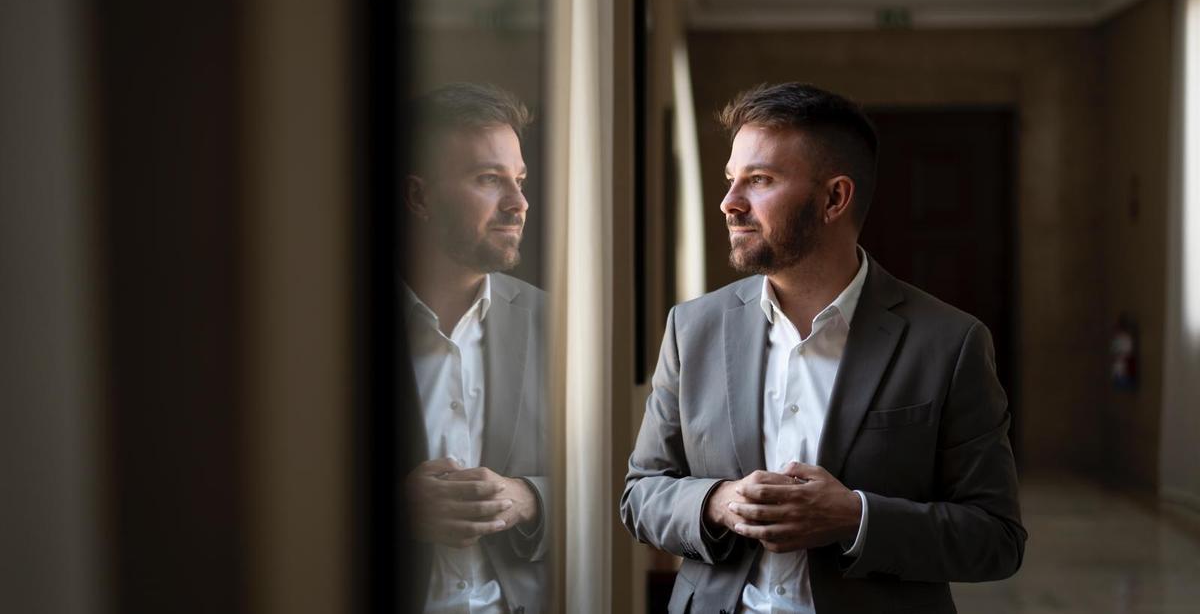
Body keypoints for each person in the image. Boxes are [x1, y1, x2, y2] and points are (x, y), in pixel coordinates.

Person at [621, 82, 1025, 613]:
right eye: (730, 180)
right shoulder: (692, 328)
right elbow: (641, 495)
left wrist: (854, 517)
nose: (729, 203)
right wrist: (717, 502)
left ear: (834, 198)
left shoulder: (949, 342)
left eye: (759, 180)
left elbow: (995, 539)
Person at [400, 83, 547, 614]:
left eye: (520, 181)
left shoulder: (556, 326)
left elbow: (617, 484)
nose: (518, 204)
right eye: (489, 179)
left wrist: (529, 497)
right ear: (419, 197)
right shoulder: (330, 329)